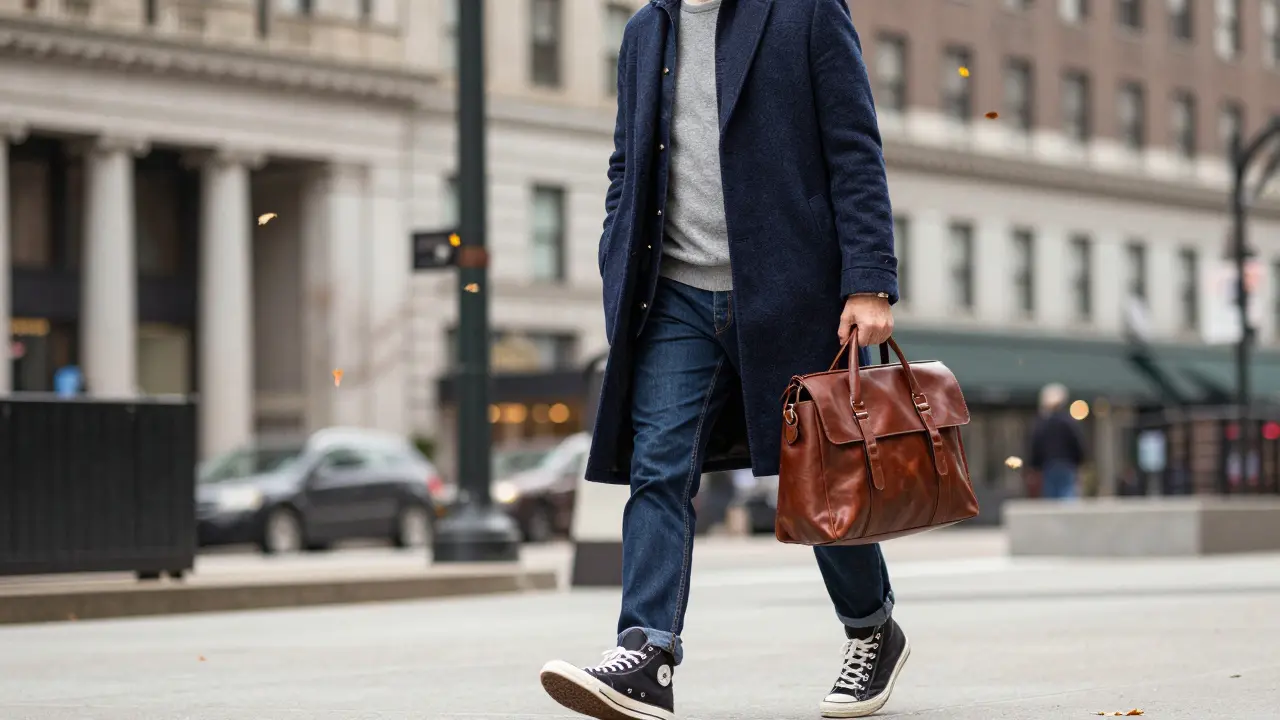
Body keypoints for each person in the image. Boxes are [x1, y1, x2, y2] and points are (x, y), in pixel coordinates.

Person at [539, 0, 902, 718]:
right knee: (657, 466)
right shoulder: (646, 30)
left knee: (816, 479)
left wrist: (870, 280)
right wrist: (618, 268)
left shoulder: (804, 12)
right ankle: (648, 652)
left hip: (788, 292)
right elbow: (627, 163)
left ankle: (872, 630)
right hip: (673, 293)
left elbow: (854, 148)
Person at [1027, 383, 1087, 500]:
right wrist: (1079, 460)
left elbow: (1036, 445)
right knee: (1067, 494)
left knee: (1052, 496)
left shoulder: (1043, 423)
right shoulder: (1068, 422)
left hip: (1049, 464)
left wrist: (1034, 465)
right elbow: (1076, 442)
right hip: (1066, 463)